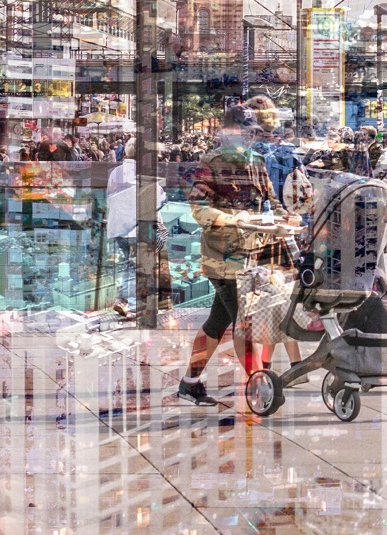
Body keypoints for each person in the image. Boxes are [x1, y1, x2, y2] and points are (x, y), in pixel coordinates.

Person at [174, 111, 281, 406]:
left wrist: (286, 220)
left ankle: (189, 383)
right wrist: (236, 220)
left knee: (216, 322)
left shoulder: (257, 164)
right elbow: (198, 208)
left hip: (252, 257)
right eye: (243, 130)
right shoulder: (212, 163)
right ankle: (259, 386)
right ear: (227, 131)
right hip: (223, 259)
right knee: (244, 323)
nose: (249, 136)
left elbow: (271, 203)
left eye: (252, 131)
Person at [107, 153, 169, 318]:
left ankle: (122, 300)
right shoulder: (143, 173)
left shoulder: (116, 172)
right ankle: (135, 306)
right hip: (135, 229)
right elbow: (159, 197)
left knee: (129, 265)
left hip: (117, 227)